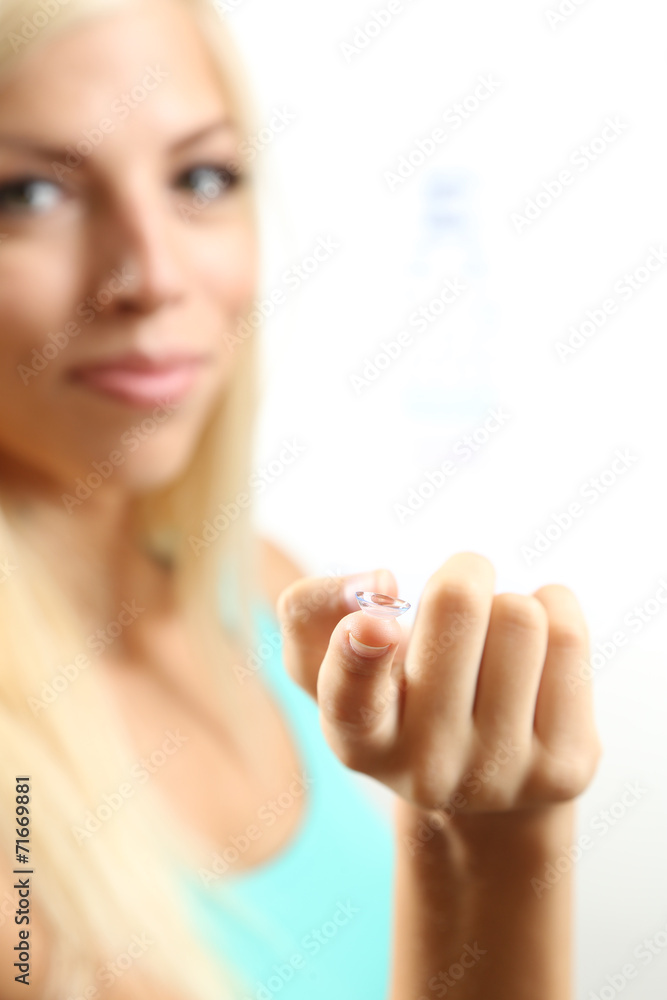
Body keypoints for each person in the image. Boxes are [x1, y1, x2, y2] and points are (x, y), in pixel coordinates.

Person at [0, 1, 602, 997]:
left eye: (200, 178)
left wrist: (479, 822)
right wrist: (494, 852)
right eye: (27, 193)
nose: (153, 274)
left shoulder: (252, 584)